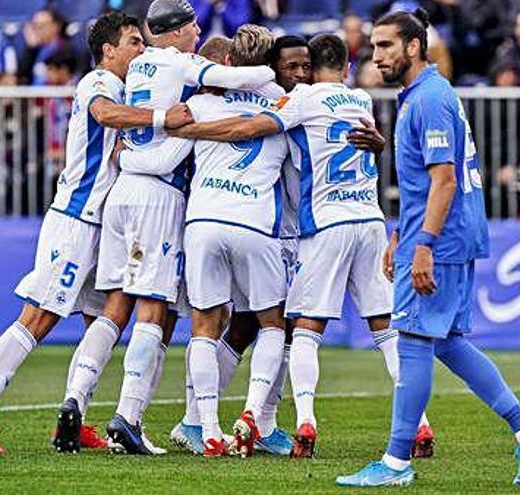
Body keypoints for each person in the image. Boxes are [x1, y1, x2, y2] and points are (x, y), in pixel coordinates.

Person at [167, 32, 435, 460]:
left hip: (307, 227)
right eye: (290, 67)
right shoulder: (356, 100)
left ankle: (263, 419)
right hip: (339, 223)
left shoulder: (298, 102)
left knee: (291, 327)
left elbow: (248, 128)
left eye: (303, 67)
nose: (298, 74)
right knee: (266, 326)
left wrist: (186, 128)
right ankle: (210, 420)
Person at [336, 9, 520, 487]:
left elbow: (444, 179)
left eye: (386, 46)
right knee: (447, 343)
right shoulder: (422, 96)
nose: (376, 56)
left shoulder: (430, 99)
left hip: (442, 239)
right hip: (440, 234)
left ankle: (396, 462)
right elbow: (421, 177)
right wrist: (401, 231)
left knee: (414, 339)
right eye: (374, 46)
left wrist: (423, 247)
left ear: (414, 47)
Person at [0, 11, 189, 455]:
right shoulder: (98, 83)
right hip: (76, 220)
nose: (141, 50)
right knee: (39, 317)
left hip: (104, 223)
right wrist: (163, 118)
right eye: (134, 42)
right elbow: (105, 115)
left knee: (103, 321)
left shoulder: (124, 86)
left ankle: (76, 416)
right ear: (108, 51)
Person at [78, 0, 275, 456]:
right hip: (159, 194)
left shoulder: (137, 67)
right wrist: (269, 78)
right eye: (192, 24)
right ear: (178, 31)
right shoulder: (179, 63)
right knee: (153, 310)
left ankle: (75, 400)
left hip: (122, 185)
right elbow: (239, 77)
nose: (198, 30)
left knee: (114, 308)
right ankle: (127, 417)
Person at [169, 34, 314, 458]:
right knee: (273, 323)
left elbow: (161, 142)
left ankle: (206, 430)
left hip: (202, 222)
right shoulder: (285, 106)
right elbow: (297, 176)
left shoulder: (202, 104)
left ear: (230, 62)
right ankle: (256, 419)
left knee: (205, 325)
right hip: (255, 224)